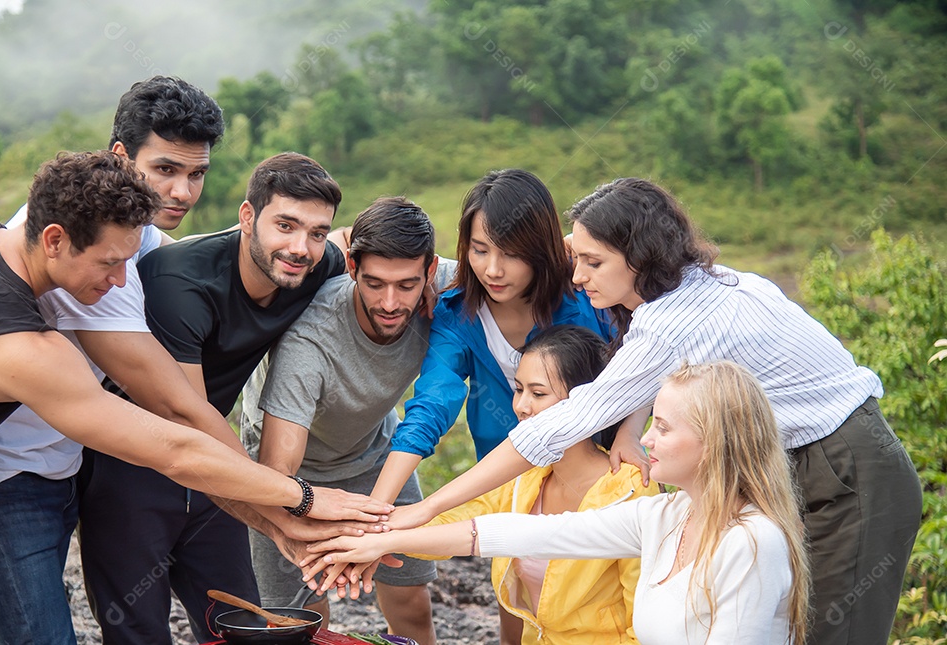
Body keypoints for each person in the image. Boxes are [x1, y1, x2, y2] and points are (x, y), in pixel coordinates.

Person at [0, 151, 386, 645]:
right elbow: (176, 446)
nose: (121, 282)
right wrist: (303, 498)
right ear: (53, 239)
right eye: (111, 263)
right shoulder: (26, 352)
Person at [385, 177, 923, 645]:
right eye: (577, 258)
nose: (577, 276)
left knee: (830, 634)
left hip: (846, 468)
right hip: (783, 465)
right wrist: (633, 423)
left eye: (593, 263)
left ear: (639, 260)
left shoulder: (670, 323)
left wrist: (425, 508)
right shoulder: (698, 283)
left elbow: (556, 427)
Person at [305, 361, 812, 645]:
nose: (644, 440)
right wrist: (377, 539)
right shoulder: (666, 517)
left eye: (661, 426)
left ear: (716, 442)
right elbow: (502, 532)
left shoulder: (752, 541)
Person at [75, 151, 359, 644]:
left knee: (241, 622)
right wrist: (289, 516)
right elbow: (187, 416)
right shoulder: (179, 281)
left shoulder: (312, 263)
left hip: (217, 459)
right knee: (138, 631)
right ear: (247, 217)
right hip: (131, 469)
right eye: (285, 225)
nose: (300, 247)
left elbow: (357, 244)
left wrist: (438, 280)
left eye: (315, 232)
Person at [239, 197, 458, 645]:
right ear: (353, 267)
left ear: (431, 270)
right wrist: (336, 537)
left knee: (413, 599)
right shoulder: (310, 340)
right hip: (291, 478)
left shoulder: (448, 283)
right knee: (302, 619)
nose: (391, 302)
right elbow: (277, 469)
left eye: (407, 284)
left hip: (375, 453)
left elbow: (534, 262)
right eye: (375, 283)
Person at [371, 169, 634, 509]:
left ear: (539, 249)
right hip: (508, 491)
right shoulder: (457, 314)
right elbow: (431, 405)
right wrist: (377, 507)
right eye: (480, 250)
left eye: (511, 254)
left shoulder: (589, 298)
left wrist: (629, 434)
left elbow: (640, 367)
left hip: (602, 486)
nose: (493, 270)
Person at [423, 325, 655, 645]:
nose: (521, 405)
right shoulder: (524, 475)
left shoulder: (630, 488)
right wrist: (369, 533)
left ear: (588, 402)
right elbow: (449, 521)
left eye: (538, 393)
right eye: (519, 389)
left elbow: (644, 618)